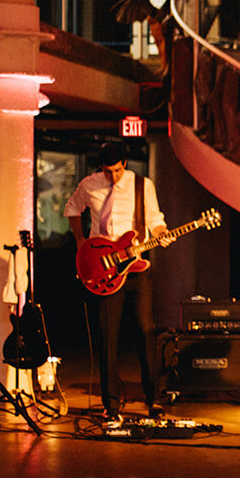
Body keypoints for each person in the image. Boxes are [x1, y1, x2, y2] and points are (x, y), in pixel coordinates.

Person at [64, 142, 171, 417]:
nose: (113, 176)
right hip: (104, 268)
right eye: (108, 171)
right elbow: (72, 209)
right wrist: (79, 240)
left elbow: (155, 219)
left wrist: (162, 232)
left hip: (136, 265)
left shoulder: (142, 185)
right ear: (100, 168)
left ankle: (153, 399)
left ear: (126, 164)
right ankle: (110, 405)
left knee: (146, 329)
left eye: (118, 170)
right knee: (107, 335)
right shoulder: (89, 184)